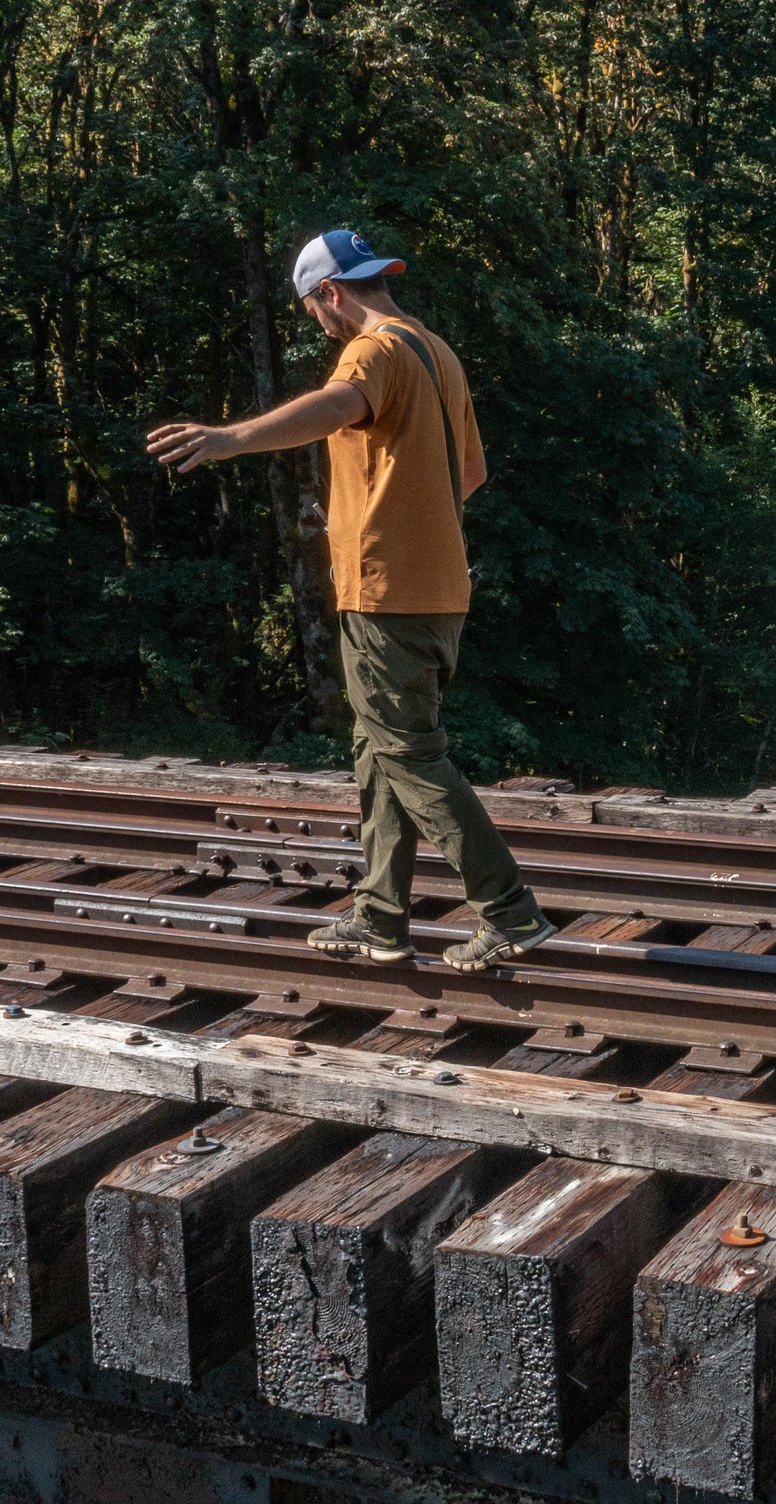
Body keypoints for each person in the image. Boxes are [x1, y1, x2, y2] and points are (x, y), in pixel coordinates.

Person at [146, 229, 556, 972]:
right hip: (440, 593)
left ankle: (509, 911)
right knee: (378, 754)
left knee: (407, 752)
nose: (320, 325)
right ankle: (379, 917)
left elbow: (337, 406)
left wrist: (231, 437)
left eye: (314, 311)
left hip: (385, 592)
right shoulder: (439, 353)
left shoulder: (373, 350)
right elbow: (471, 473)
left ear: (330, 293)